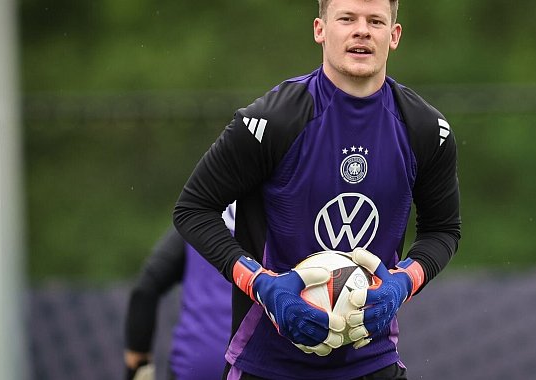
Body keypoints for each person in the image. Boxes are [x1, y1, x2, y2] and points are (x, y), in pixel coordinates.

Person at [173, 0, 461, 378]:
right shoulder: (271, 121)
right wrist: (263, 286)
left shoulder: (426, 129)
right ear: (320, 30)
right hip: (268, 365)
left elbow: (443, 230)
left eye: (375, 21)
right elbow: (193, 209)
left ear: (394, 36)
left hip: (371, 362)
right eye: (347, 18)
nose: (362, 30)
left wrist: (401, 284)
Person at [124, 205, 237, 380]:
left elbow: (144, 290)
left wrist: (138, 367)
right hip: (252, 366)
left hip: (192, 365)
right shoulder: (281, 222)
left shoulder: (198, 217)